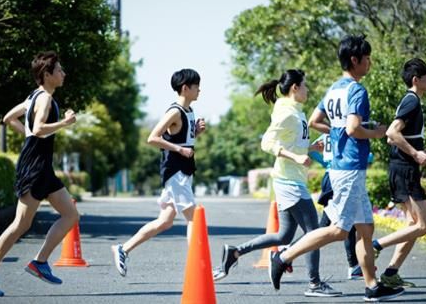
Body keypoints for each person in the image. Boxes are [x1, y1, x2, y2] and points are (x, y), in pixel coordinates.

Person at [268, 34, 405, 302]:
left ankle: (372, 286)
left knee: (366, 228)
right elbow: (354, 128)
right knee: (338, 231)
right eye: (367, 58)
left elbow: (316, 120)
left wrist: (339, 130)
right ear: (355, 60)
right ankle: (282, 256)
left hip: (344, 166)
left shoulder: (334, 89)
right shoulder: (356, 90)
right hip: (350, 167)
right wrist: (377, 132)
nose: (369, 62)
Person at [212, 69, 341, 297]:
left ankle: (235, 252)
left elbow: (292, 143)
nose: (307, 90)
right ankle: (314, 283)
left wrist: (310, 148)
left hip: (289, 180)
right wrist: (297, 157)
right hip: (289, 182)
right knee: (314, 232)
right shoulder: (287, 113)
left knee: (284, 236)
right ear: (295, 88)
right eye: (305, 85)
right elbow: (267, 142)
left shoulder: (296, 112)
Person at [0, 51, 79, 297]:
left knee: (71, 214)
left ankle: (40, 262)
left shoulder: (33, 97)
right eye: (60, 70)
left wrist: (28, 134)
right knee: (20, 224)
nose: (64, 74)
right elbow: (41, 128)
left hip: (41, 166)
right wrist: (63, 124)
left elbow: (9, 118)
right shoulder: (43, 98)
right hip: (34, 166)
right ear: (47, 74)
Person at [111, 68, 205, 277]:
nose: (200, 89)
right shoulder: (174, 111)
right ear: (185, 88)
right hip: (175, 171)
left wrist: (195, 132)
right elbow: (152, 137)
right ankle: (198, 268)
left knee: (165, 221)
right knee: (193, 219)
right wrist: (180, 149)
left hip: (184, 170)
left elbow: (181, 138)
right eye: (197, 85)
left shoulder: (189, 111)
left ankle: (123, 249)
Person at [371, 58, 426, 288]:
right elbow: (391, 132)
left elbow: (393, 137)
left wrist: (421, 151)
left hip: (402, 168)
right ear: (417, 80)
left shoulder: (411, 101)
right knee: (424, 226)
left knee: (412, 224)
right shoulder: (412, 101)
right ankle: (376, 246)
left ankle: (390, 273)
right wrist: (416, 154)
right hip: (405, 170)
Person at [309, 134, 374, 280]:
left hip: (331, 176)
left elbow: (312, 150)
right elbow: (369, 157)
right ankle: (287, 254)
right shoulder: (345, 131)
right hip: (341, 177)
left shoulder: (326, 133)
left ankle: (354, 266)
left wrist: (326, 163)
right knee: (333, 225)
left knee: (339, 224)